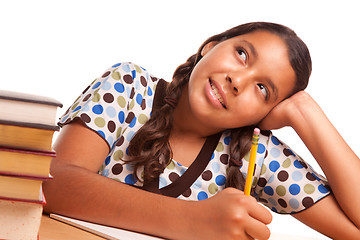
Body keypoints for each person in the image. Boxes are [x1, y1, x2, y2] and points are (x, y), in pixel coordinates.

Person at [43, 22, 360, 239]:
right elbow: (53, 185)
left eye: (263, 89)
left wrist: (305, 112)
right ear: (210, 46)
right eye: (242, 54)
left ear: (267, 113)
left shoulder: (255, 153)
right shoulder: (128, 86)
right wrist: (191, 220)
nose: (238, 81)